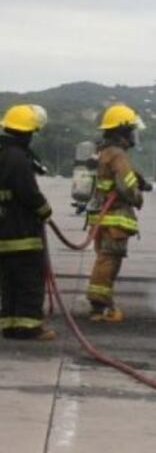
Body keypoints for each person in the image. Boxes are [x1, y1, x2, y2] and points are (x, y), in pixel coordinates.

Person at [86, 103, 150, 322]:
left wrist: (138, 179)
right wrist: (138, 196)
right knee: (109, 260)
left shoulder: (103, 151)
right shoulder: (118, 154)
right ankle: (100, 307)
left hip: (101, 216)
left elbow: (121, 177)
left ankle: (101, 304)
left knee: (103, 259)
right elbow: (125, 187)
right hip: (114, 219)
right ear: (122, 131)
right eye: (131, 130)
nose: (134, 135)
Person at [0, 104, 56, 341]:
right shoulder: (17, 158)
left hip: (4, 230)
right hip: (21, 231)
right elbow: (28, 193)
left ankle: (10, 325)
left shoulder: (3, 152)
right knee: (29, 279)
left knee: (9, 282)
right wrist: (45, 211)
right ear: (27, 132)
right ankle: (30, 327)